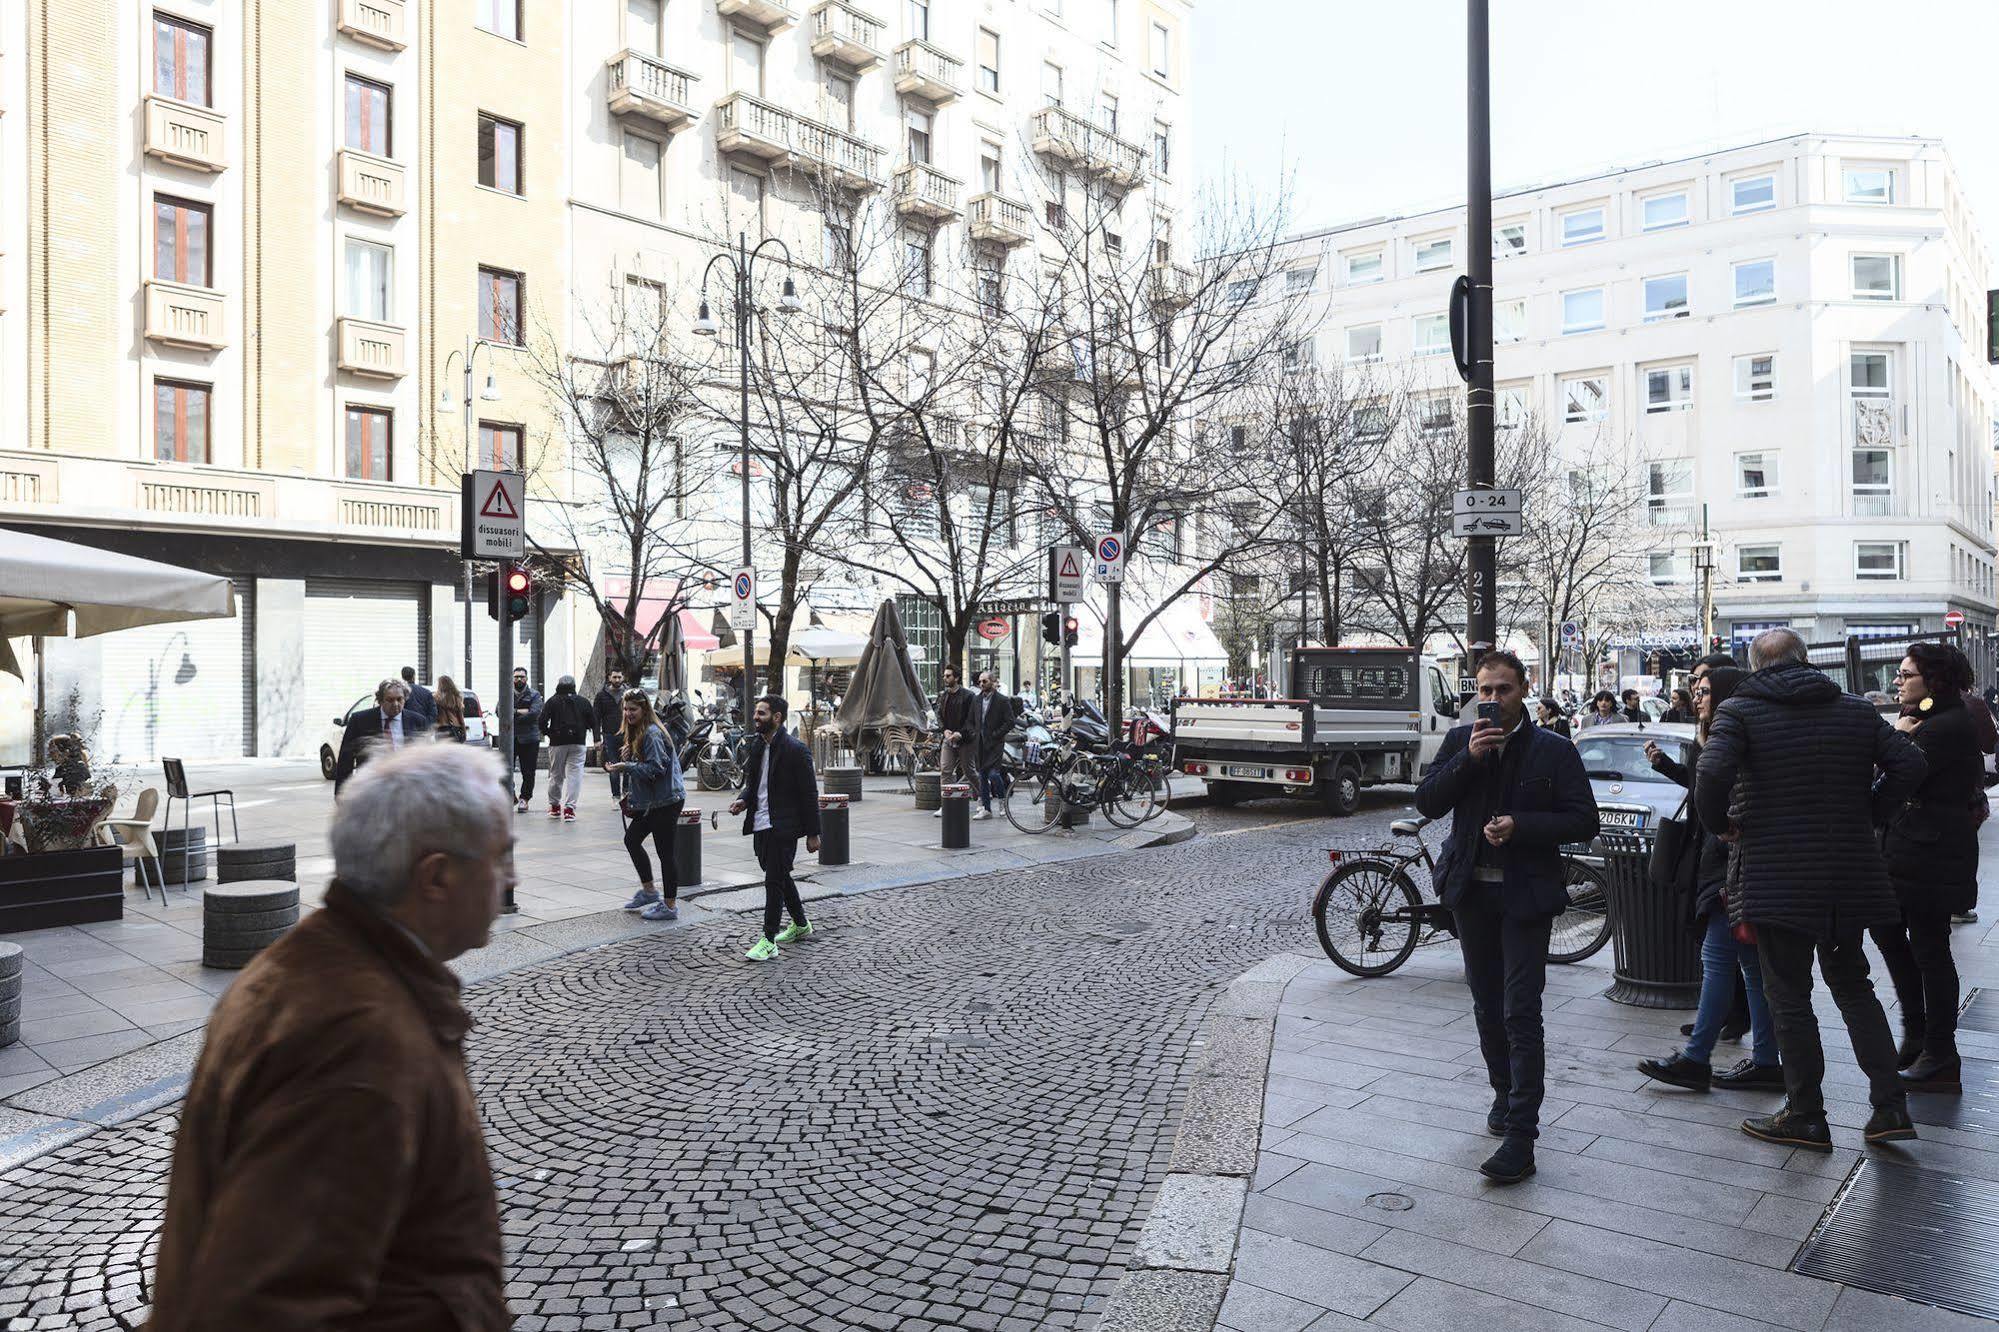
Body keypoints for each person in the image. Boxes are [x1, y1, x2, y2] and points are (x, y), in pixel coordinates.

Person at [148, 743, 514, 1331]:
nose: (512, 878)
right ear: (438, 875)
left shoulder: (317, 969)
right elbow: (262, 1310)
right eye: (502, 857)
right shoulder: (359, 1040)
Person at [1695, 628, 1925, 1150]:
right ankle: (1890, 1107)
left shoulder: (1741, 711)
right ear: (1804, 661)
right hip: (1847, 874)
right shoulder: (1853, 710)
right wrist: (1872, 810)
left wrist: (1722, 825)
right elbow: (1909, 763)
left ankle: (1806, 1114)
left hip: (1777, 877)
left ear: (1757, 667)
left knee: (1789, 997)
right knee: (1853, 985)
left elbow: (1711, 773)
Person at [1413, 649, 1599, 1184]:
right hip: (1472, 893)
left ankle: (1523, 1134)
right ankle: (1502, 1092)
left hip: (1526, 896)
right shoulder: (1458, 741)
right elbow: (1427, 802)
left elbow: (1583, 820)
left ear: (1524, 690)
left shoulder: (1553, 750)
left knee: (1521, 1009)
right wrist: (1468, 759)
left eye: (1503, 690)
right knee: (1486, 1005)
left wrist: (1522, 826)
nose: (1492, 700)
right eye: (1484, 691)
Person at [1638, 667, 1784, 1092]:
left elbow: (1718, 797)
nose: (1696, 697)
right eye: (1695, 690)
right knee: (1751, 971)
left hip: (1728, 870)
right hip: (1731, 867)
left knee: (1719, 962)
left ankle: (1697, 1058)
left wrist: (1722, 830)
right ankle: (1765, 1059)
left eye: (1704, 691)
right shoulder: (1726, 737)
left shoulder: (1731, 738)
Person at [1868, 643, 1980, 1093]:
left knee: (1930, 949)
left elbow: (1899, 774)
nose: (1897, 680)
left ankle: (1939, 1052)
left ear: (1933, 682)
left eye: (1905, 674)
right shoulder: (1933, 720)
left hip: (1930, 854)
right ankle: (1917, 1036)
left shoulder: (1943, 726)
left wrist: (1897, 737)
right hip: (1909, 850)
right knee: (1891, 935)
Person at [730, 695, 821, 961]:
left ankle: (768, 940)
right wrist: (743, 801)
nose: (756, 717)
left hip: (784, 826)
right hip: (760, 824)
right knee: (779, 876)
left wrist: (814, 833)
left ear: (777, 718)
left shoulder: (796, 750)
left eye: (762, 713)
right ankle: (802, 925)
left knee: (773, 881)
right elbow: (754, 784)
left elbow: (808, 794)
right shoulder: (758, 746)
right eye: (756, 713)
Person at [608, 689, 685, 923]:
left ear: (644, 710)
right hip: (653, 802)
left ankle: (670, 905)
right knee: (631, 840)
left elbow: (656, 769)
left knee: (665, 852)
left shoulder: (651, 733)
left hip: (666, 801)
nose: (628, 713)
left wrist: (626, 766)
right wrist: (630, 756)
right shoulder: (638, 732)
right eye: (626, 709)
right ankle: (649, 891)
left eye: (633, 709)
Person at [334, 678, 430, 794]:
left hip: (407, 791)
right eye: (390, 700)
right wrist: (341, 793)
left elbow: (427, 760)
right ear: (380, 700)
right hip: (371, 791)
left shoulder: (418, 722)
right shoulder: (360, 721)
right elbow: (346, 760)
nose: (395, 704)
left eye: (399, 699)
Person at [538, 675, 594, 821]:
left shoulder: (552, 701)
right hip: (578, 742)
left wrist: (548, 733)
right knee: (575, 776)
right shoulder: (583, 701)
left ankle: (555, 806)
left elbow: (542, 721)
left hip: (557, 742)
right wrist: (591, 735)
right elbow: (592, 721)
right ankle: (569, 809)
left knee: (556, 775)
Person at [970, 670, 1017, 820]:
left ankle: (1002, 801)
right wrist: (973, 734)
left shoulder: (1002, 700)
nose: (982, 684)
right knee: (982, 776)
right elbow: (971, 720)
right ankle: (986, 809)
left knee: (993, 774)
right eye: (980, 682)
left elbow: (1010, 722)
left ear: (992, 682)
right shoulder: (976, 700)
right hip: (980, 743)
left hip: (995, 743)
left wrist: (997, 734)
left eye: (985, 681)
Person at [934, 664, 977, 818]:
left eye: (948, 676)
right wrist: (944, 729)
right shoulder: (943, 695)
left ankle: (982, 800)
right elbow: (938, 715)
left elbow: (972, 719)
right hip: (948, 738)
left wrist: (960, 733)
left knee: (969, 771)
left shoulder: (968, 696)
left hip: (965, 739)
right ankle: (945, 804)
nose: (945, 678)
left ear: (956, 678)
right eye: (944, 676)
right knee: (945, 770)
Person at [509, 667, 544, 813]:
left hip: (530, 739)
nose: (519, 679)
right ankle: (510, 794)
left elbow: (535, 713)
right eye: (516, 677)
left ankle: (525, 798)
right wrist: (522, 711)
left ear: (527, 679)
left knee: (528, 772)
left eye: (522, 677)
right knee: (505, 770)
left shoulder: (534, 695)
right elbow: (500, 711)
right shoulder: (507, 693)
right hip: (510, 738)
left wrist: (514, 712)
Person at [594, 668, 628, 799]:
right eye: (614, 677)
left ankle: (626, 792)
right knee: (613, 766)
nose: (617, 680)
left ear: (623, 677)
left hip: (627, 735)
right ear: (609, 678)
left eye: (619, 677)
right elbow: (596, 718)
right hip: (609, 735)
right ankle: (616, 796)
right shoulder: (601, 696)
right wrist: (597, 739)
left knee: (628, 765)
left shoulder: (629, 694)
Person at [434, 676, 469, 743]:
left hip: (441, 728)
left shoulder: (436, 698)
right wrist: (464, 732)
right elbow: (461, 717)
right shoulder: (457, 698)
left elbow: (434, 715)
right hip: (454, 727)